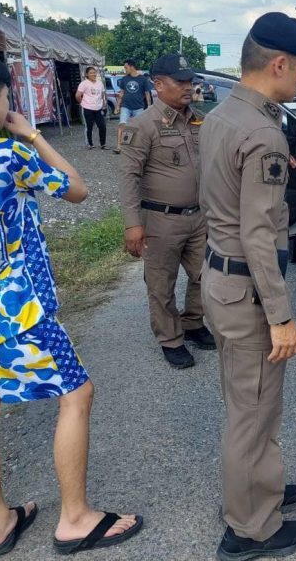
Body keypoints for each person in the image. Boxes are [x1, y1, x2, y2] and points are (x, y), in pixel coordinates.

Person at [0, 49, 142, 556]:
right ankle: (75, 519)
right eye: (5, 96)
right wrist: (34, 136)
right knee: (76, 395)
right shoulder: (8, 155)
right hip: (21, 310)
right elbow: (78, 190)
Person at [199, 13, 296, 559]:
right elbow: (259, 235)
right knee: (254, 411)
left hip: (220, 281)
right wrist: (281, 316)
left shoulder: (222, 114)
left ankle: (260, 486)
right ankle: (250, 528)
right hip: (246, 290)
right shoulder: (263, 133)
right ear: (279, 64)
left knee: (246, 402)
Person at [117, 53, 214, 369]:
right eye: (180, 81)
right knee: (161, 285)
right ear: (158, 85)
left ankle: (193, 322)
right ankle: (171, 339)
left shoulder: (200, 121)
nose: (188, 86)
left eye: (190, 81)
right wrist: (132, 224)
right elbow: (129, 177)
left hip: (199, 217)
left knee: (206, 276)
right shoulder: (141, 125)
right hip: (161, 220)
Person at [114, 59, 153, 154]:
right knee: (122, 125)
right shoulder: (124, 79)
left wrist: (149, 106)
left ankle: (137, 146)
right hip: (125, 106)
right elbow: (121, 93)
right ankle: (119, 147)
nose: (125, 69)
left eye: (126, 67)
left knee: (138, 127)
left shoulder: (143, 79)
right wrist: (117, 106)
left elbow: (147, 93)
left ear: (132, 67)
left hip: (138, 107)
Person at [76, 66, 108, 150]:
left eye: (94, 72)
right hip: (88, 108)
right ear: (87, 74)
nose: (93, 74)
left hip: (98, 108)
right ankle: (90, 144)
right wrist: (82, 103)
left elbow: (102, 95)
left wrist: (104, 105)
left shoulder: (100, 83)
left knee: (102, 126)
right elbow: (78, 95)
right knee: (89, 126)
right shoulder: (84, 83)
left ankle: (103, 144)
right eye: (91, 73)